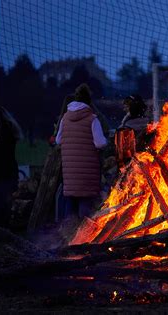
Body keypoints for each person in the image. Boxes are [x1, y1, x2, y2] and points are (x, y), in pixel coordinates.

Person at [55, 84, 107, 219]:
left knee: (70, 207)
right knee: (85, 208)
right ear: (89, 101)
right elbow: (100, 143)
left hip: (69, 172)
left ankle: (66, 237)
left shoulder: (65, 118)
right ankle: (84, 237)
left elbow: (58, 140)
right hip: (87, 173)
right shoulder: (92, 119)